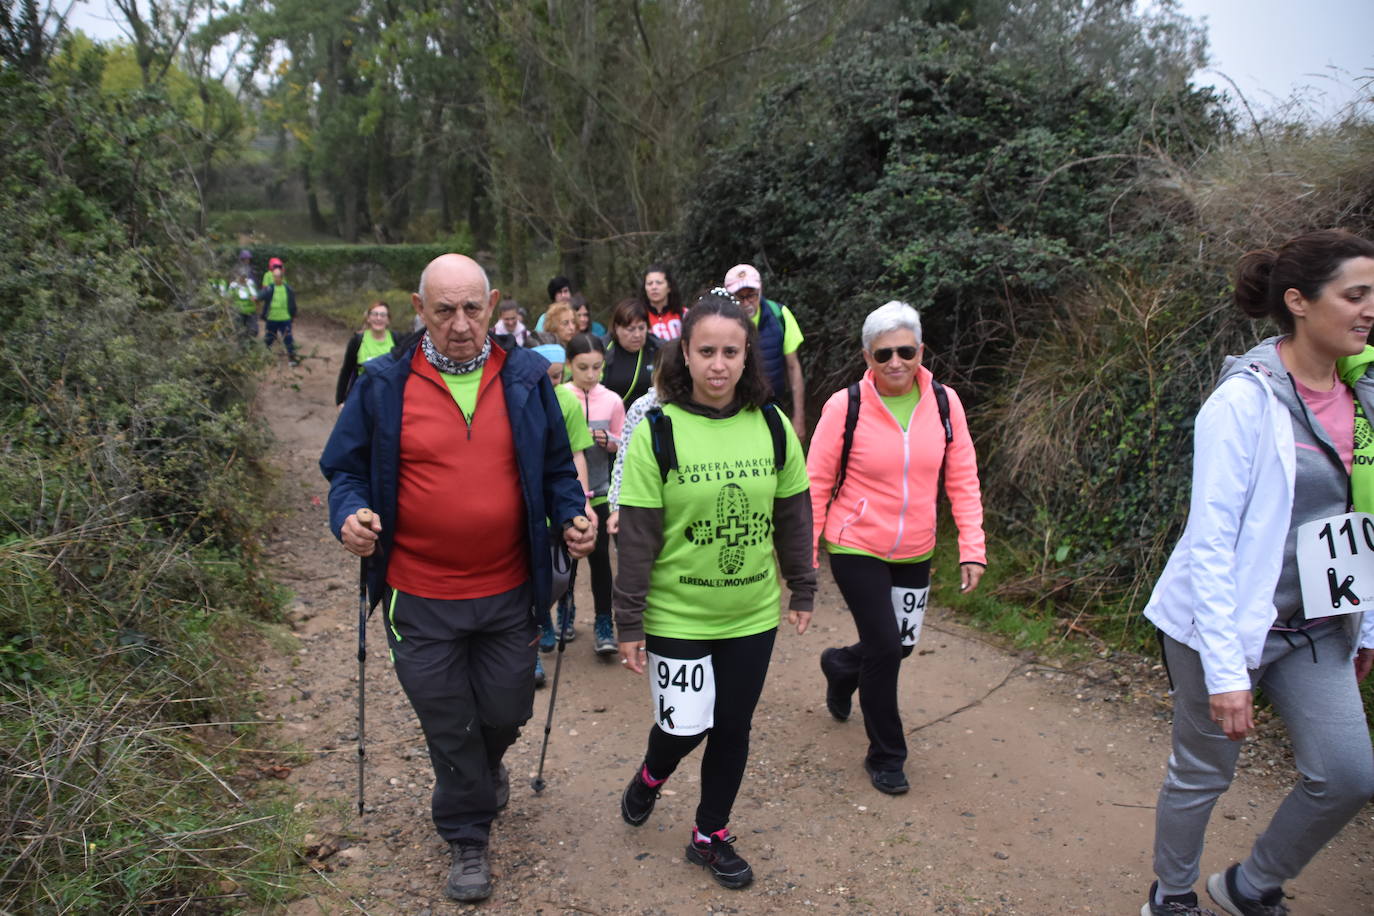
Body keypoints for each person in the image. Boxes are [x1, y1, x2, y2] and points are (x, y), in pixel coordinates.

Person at [319, 253, 595, 904]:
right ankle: (467, 833)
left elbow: (559, 469)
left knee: (505, 709)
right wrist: (348, 515)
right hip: (419, 596)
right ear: (421, 311)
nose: (461, 324)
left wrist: (573, 514)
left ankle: (481, 766)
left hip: (508, 589)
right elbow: (346, 469)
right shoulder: (384, 384)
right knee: (446, 718)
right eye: (444, 310)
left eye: (473, 308)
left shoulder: (528, 378)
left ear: (494, 305)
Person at [1139, 229, 1374, 916]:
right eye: (1354, 295)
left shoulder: (1366, 399)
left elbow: (1367, 523)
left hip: (1316, 627)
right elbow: (1210, 544)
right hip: (1221, 625)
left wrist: (1365, 630)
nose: (1368, 310)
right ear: (1298, 301)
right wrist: (1226, 670)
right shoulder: (1243, 402)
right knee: (1204, 773)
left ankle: (1250, 885)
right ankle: (1173, 894)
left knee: (1349, 774)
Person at [613, 289, 815, 890]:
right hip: (677, 615)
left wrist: (801, 585)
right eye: (707, 351)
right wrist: (628, 622)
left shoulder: (773, 425)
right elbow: (640, 537)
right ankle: (652, 774)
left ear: (748, 355)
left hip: (750, 613)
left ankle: (709, 834)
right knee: (683, 727)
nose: (719, 364)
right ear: (686, 354)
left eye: (732, 351)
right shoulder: (658, 430)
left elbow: (793, 513)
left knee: (732, 726)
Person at [806, 301, 986, 796]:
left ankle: (841, 666)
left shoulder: (946, 404)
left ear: (920, 351)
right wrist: (807, 555)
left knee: (900, 644)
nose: (895, 362)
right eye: (883, 354)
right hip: (855, 543)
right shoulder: (846, 407)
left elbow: (964, 479)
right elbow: (817, 483)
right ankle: (886, 754)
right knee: (886, 644)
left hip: (915, 547)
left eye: (905, 351)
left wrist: (972, 545)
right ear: (867, 357)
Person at [530, 342, 593, 681]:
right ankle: (537, 638)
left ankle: (563, 610)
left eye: (557, 377)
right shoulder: (523, 398)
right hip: (535, 507)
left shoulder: (568, 401)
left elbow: (577, 454)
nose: (552, 383)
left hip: (563, 503)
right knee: (534, 576)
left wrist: (580, 504)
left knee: (562, 571)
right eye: (547, 377)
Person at [563, 333, 625, 655]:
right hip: (566, 492)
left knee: (600, 557)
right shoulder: (560, 396)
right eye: (583, 367)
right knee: (567, 558)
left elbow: (623, 444)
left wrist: (608, 440)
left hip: (601, 489)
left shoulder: (612, 400)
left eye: (597, 367)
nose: (590, 374)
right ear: (569, 364)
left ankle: (604, 622)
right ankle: (565, 612)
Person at [723, 264, 807, 439]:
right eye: (740, 297)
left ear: (760, 291)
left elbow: (793, 367)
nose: (746, 302)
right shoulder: (720, 322)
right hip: (732, 409)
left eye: (751, 295)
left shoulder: (780, 315)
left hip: (773, 405)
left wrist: (799, 417)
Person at [335, 302, 396, 407]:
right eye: (375, 314)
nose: (378, 318)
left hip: (389, 399)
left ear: (388, 320)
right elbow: (346, 371)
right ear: (368, 318)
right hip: (361, 397)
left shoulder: (398, 340)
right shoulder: (357, 341)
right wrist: (340, 400)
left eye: (382, 315)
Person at [603, 298, 660, 407]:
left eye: (642, 328)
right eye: (631, 329)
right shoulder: (603, 349)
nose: (637, 335)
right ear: (616, 328)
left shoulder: (657, 349)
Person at [257, 256, 300, 365]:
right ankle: (264, 357)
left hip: (285, 318)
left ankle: (292, 358)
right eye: (274, 276)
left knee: (288, 339)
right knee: (269, 339)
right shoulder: (270, 287)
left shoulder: (288, 289)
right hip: (272, 318)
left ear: (281, 277)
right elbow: (262, 295)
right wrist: (256, 298)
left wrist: (293, 315)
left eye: (277, 277)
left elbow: (292, 303)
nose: (275, 278)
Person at [638, 263, 685, 341]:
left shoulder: (685, 314)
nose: (654, 287)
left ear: (669, 287)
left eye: (659, 283)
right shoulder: (638, 316)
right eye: (649, 284)